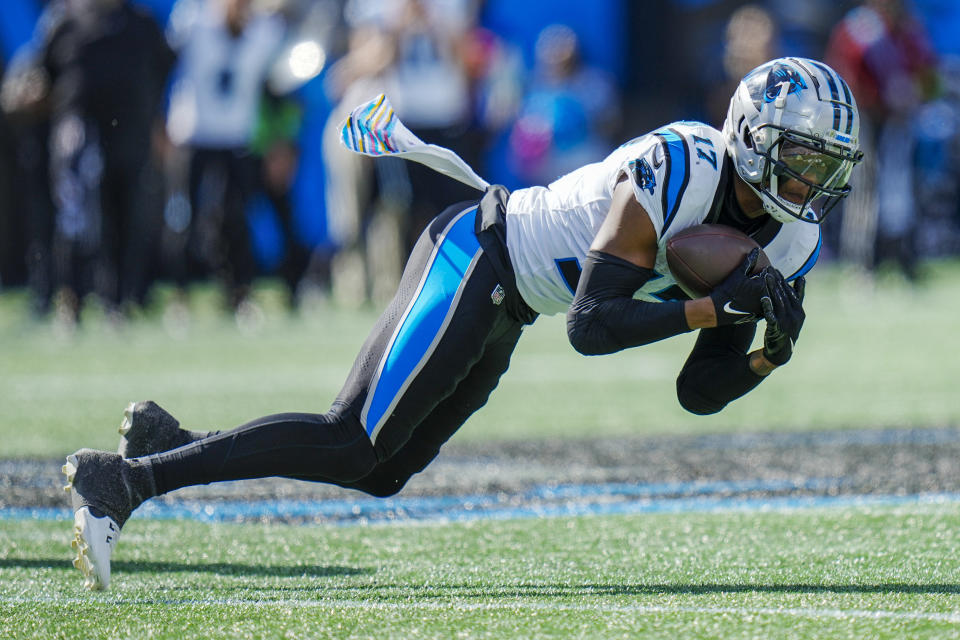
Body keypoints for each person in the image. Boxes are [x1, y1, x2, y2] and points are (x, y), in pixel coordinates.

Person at [62, 57, 863, 590]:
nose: (814, 178)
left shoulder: (791, 239)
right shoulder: (682, 160)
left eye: (827, 164)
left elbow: (697, 390)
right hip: (478, 253)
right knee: (353, 437)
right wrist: (703, 309)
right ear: (754, 139)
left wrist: (764, 359)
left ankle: (170, 444)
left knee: (380, 472)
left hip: (511, 305)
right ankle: (128, 482)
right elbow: (590, 323)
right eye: (804, 155)